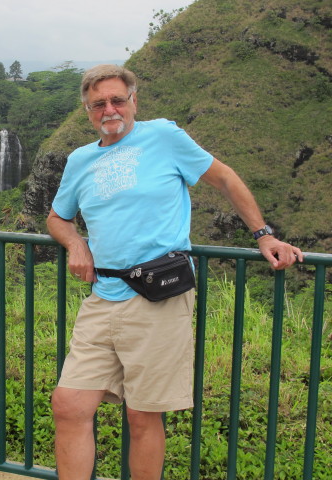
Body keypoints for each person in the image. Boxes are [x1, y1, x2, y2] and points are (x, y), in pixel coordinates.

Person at [46, 64, 303, 480]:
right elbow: (57, 218)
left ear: (134, 100)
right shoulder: (80, 159)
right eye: (98, 104)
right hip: (103, 295)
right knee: (69, 405)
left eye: (117, 100)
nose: (109, 109)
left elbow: (225, 179)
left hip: (158, 297)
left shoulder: (163, 137)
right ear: (87, 110)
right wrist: (76, 243)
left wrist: (263, 235)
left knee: (143, 417)